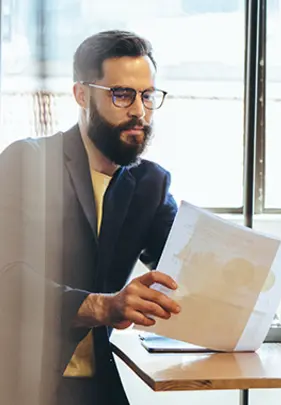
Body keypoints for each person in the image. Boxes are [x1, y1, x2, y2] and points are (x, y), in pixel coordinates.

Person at [0, 30, 182, 405]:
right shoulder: (28, 162)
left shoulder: (151, 183)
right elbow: (8, 278)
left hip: (95, 384)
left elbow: (190, 267)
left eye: (147, 95)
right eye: (122, 94)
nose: (139, 111)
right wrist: (105, 306)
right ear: (82, 95)